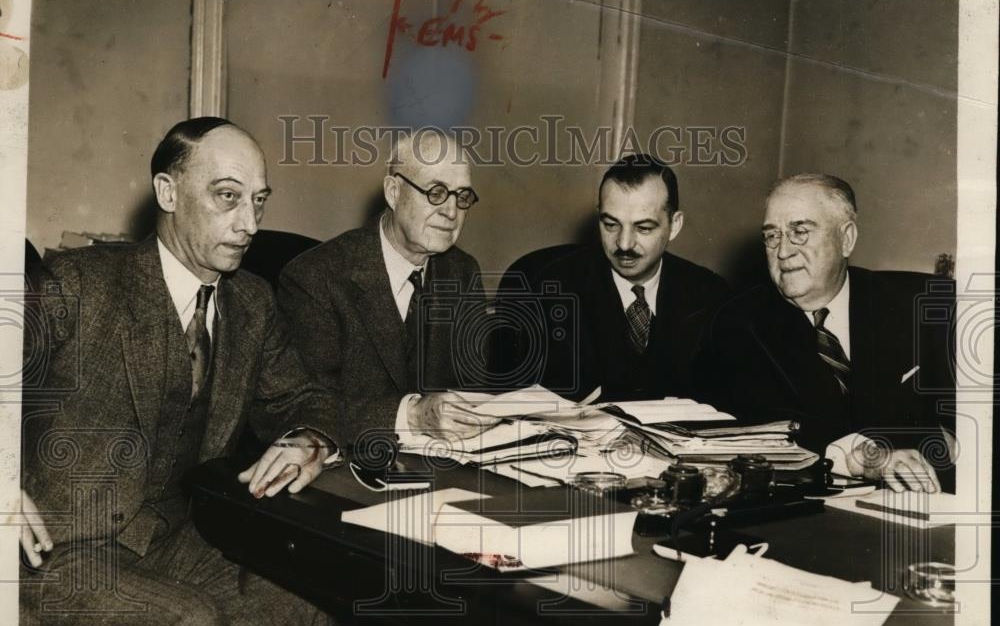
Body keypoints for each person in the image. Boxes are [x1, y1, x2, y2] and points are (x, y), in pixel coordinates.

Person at [18, 117, 368, 626]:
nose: (249, 224)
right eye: (227, 198)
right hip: (51, 552)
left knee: (312, 609)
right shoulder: (77, 284)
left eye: (259, 201)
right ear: (168, 192)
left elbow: (306, 396)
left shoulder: (251, 304)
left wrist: (310, 440)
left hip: (173, 540)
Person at [697, 173, 955, 493]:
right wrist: (871, 458)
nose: (783, 252)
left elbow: (972, 416)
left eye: (800, 232)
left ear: (846, 239)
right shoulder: (738, 322)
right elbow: (770, 425)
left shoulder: (921, 303)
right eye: (772, 236)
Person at [278, 129, 495, 449]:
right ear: (393, 192)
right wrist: (411, 416)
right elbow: (306, 409)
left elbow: (473, 388)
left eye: (462, 196)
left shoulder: (462, 272)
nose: (451, 213)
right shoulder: (316, 278)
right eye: (436, 192)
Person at [499, 154, 729, 402]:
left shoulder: (710, 296)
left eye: (644, 228)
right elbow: (508, 403)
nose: (624, 243)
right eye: (610, 224)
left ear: (674, 225)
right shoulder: (541, 288)